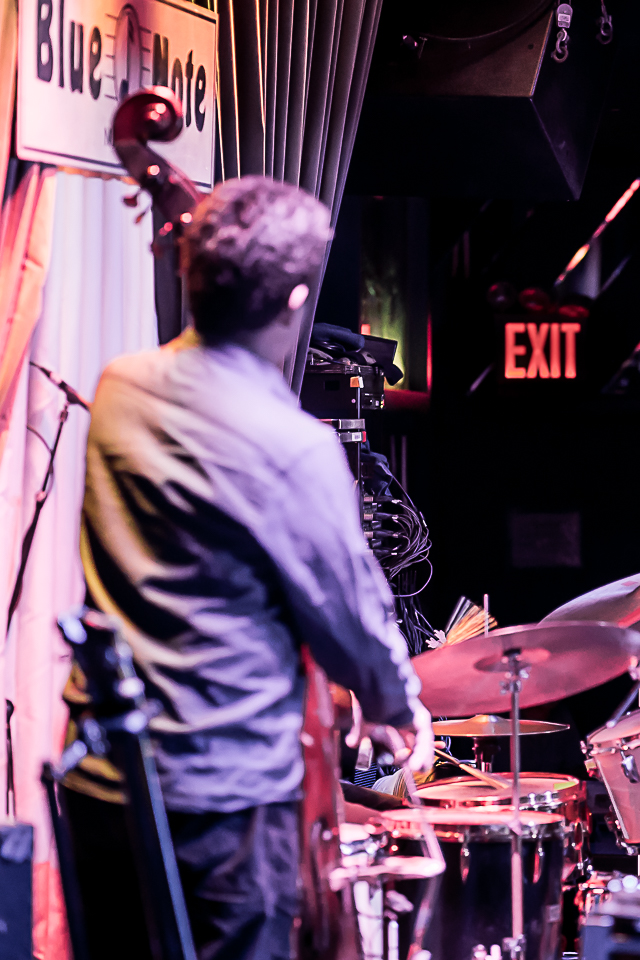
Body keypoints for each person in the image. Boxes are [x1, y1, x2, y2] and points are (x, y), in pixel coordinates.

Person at [61, 176, 433, 960]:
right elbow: (351, 625)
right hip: (221, 802)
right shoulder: (292, 445)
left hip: (103, 780)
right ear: (297, 299)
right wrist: (401, 709)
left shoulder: (121, 387)